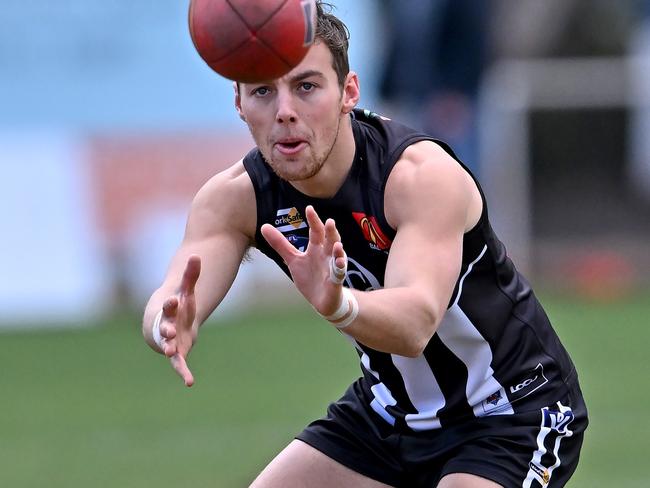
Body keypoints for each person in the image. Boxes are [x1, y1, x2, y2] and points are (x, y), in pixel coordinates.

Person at [142, 3, 588, 487]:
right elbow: (173, 295)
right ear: (239, 103)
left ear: (348, 92)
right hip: (387, 419)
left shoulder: (418, 177)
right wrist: (166, 321)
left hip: (511, 411)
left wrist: (340, 304)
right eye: (263, 92)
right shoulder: (233, 199)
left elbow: (415, 323)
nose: (285, 111)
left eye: (306, 86)